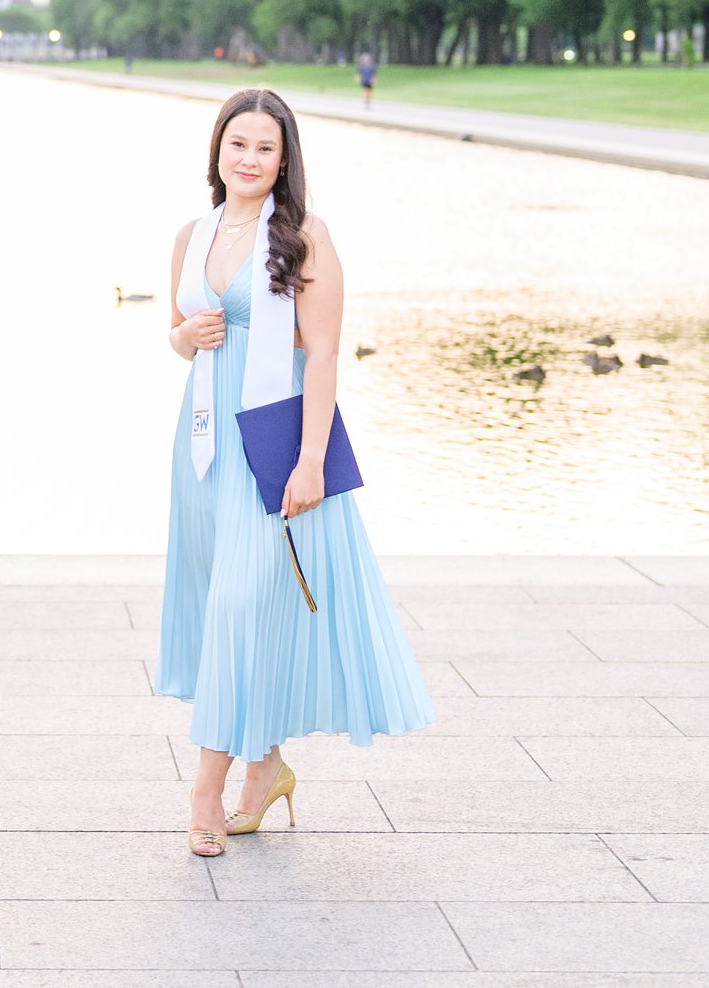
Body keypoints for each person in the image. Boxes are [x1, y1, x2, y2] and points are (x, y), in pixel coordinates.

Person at [159, 87, 432, 857]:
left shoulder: (304, 236)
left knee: (241, 608)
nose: (248, 159)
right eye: (237, 143)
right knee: (227, 608)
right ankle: (266, 767)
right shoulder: (191, 233)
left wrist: (311, 459)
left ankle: (205, 791)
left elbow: (323, 355)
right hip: (203, 448)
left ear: (285, 159)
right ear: (218, 149)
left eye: (264, 148)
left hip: (273, 445)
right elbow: (178, 340)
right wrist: (186, 333)